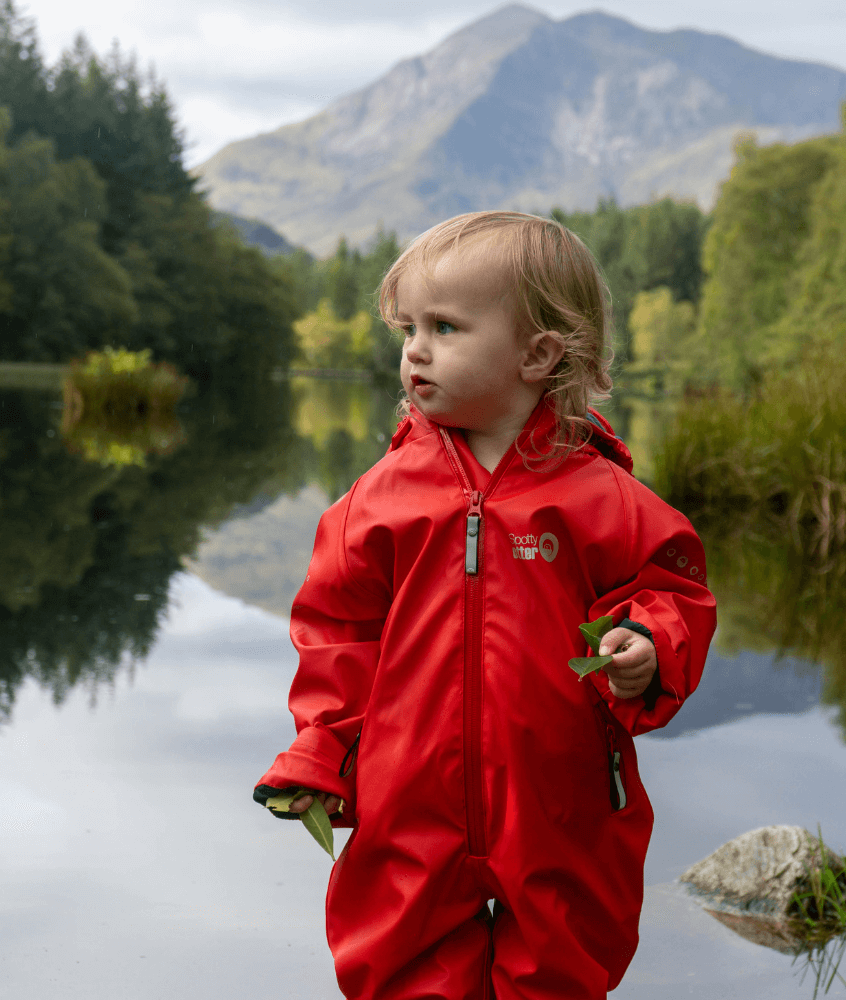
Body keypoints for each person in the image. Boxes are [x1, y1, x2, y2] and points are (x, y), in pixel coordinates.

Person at [254, 211, 716, 999]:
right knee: (400, 966)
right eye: (408, 328)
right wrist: (321, 751)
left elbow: (671, 590)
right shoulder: (379, 500)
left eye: (445, 327)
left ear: (537, 354)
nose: (414, 350)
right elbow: (336, 635)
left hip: (560, 804)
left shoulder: (602, 497)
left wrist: (646, 642)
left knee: (563, 969)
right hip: (409, 799)